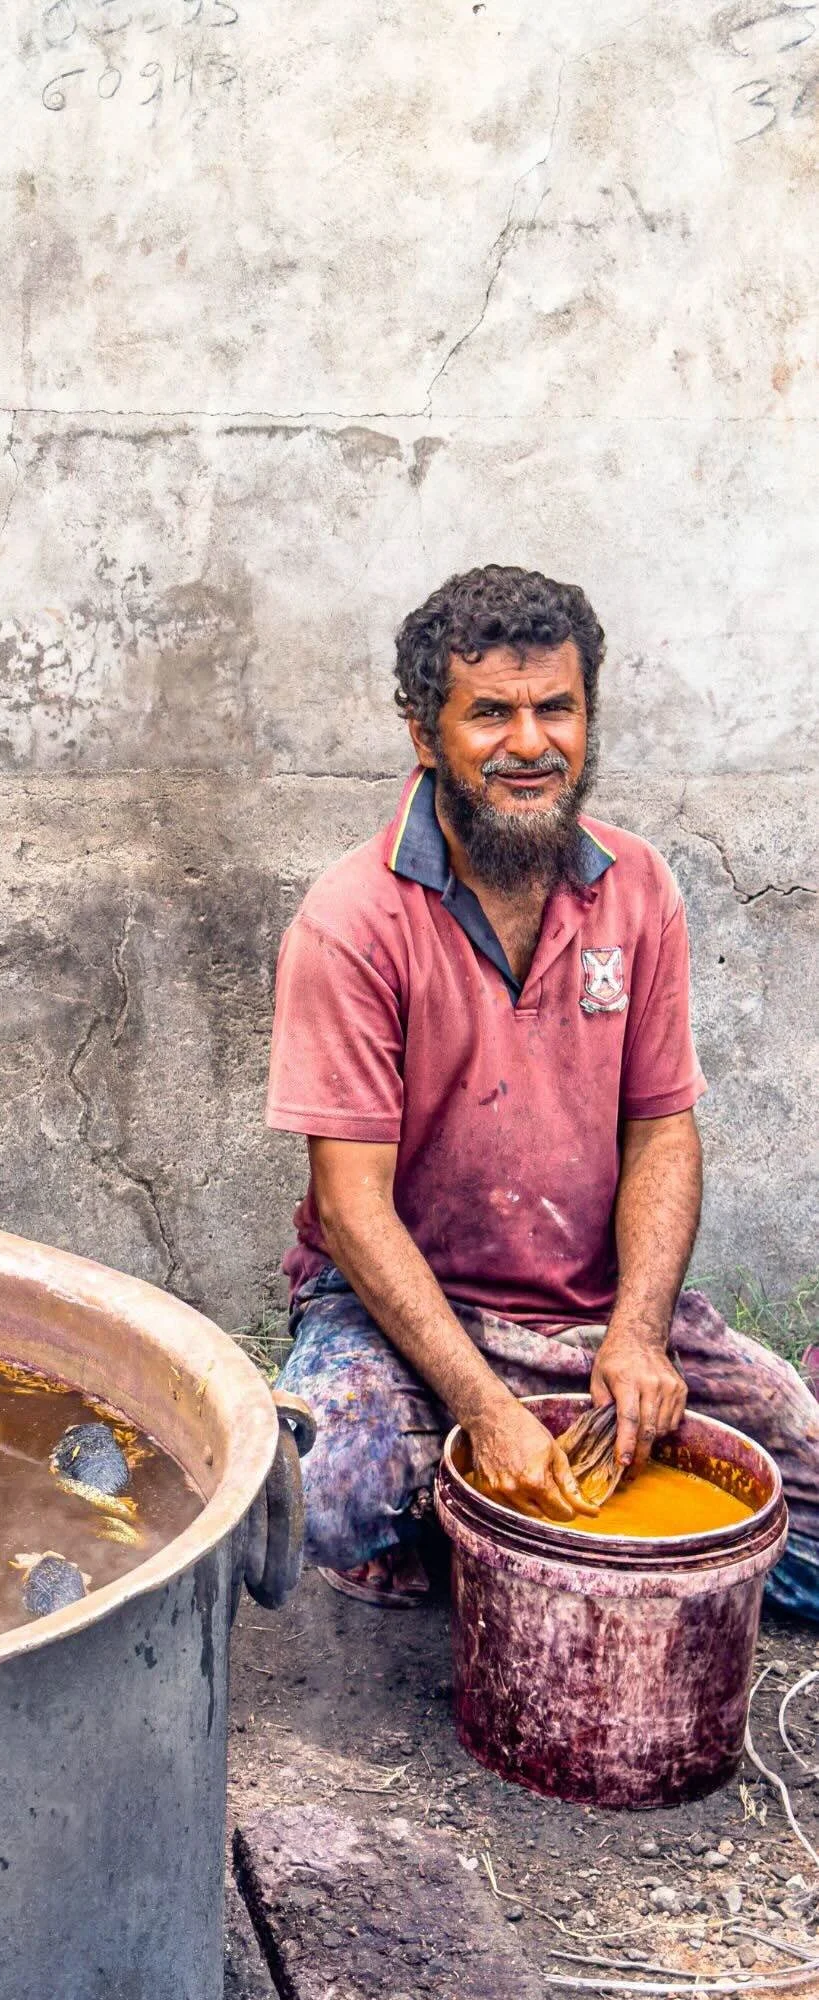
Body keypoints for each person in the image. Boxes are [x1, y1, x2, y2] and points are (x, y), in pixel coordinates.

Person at [264, 564, 819, 1615]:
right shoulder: (350, 921)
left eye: (555, 707)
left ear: (588, 715)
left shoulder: (639, 887)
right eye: (491, 714)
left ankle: (499, 1537)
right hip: (406, 1321)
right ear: (426, 734)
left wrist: (640, 1333)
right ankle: (482, 1518)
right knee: (315, 1494)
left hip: (595, 1314)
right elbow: (350, 1206)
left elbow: (663, 1128)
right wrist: (481, 1405)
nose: (530, 743)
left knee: (806, 1497)